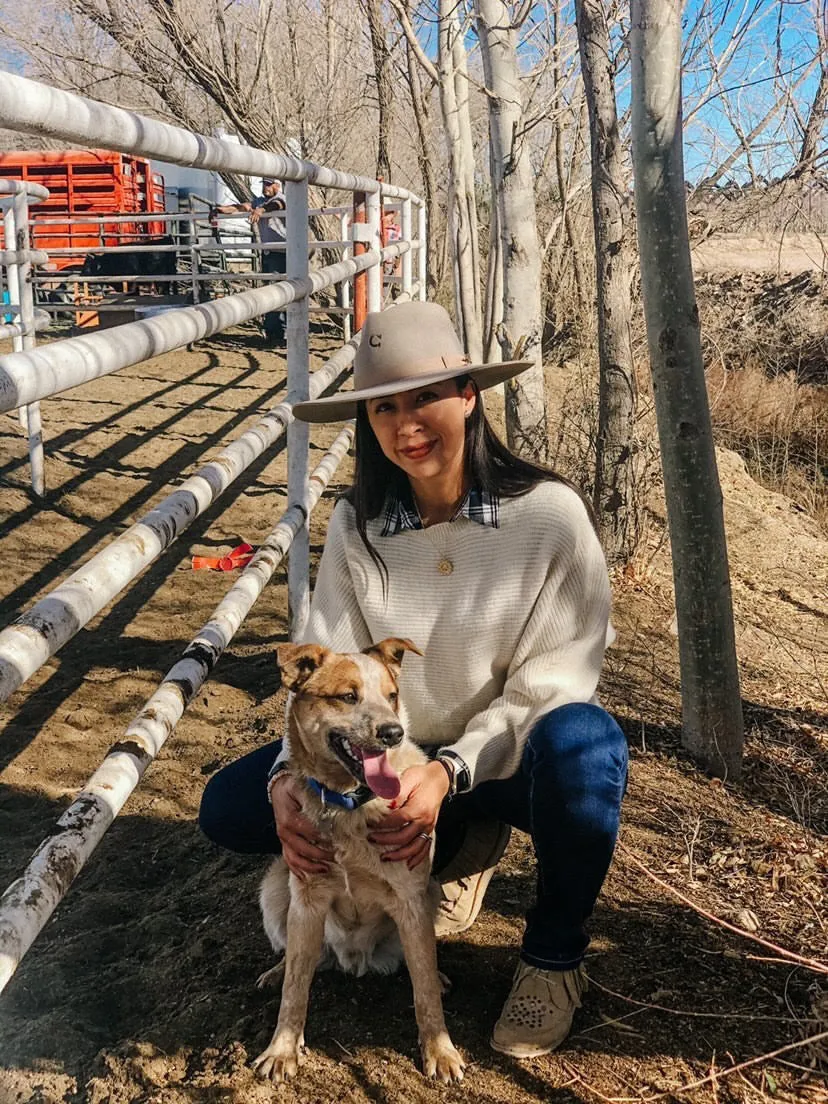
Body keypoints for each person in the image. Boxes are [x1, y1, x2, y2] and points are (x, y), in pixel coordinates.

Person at [199, 301, 628, 1058]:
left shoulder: (550, 519)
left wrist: (449, 772)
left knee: (585, 750)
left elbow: (554, 682)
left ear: (469, 394)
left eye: (426, 397)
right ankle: (439, 856)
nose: (406, 425)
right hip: (386, 759)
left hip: (497, 757)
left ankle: (552, 958)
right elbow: (324, 669)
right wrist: (285, 785)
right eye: (383, 408)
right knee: (230, 808)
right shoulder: (358, 526)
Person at [213, 178, 287, 347]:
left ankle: (282, 332)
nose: (265, 187)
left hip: (282, 252)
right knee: (270, 291)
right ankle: (272, 331)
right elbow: (243, 206)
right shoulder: (260, 202)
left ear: (277, 185)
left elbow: (277, 205)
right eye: (263, 184)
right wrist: (221, 210)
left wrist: (261, 210)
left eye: (269, 184)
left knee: (279, 291)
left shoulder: (281, 199)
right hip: (269, 252)